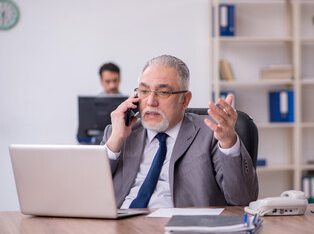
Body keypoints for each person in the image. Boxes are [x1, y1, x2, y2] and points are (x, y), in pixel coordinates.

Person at [101, 54, 258, 208]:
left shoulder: (212, 133)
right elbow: (89, 193)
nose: (151, 101)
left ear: (185, 100)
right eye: (144, 91)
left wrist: (229, 143)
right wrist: (115, 140)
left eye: (163, 92)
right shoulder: (119, 132)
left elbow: (242, 199)